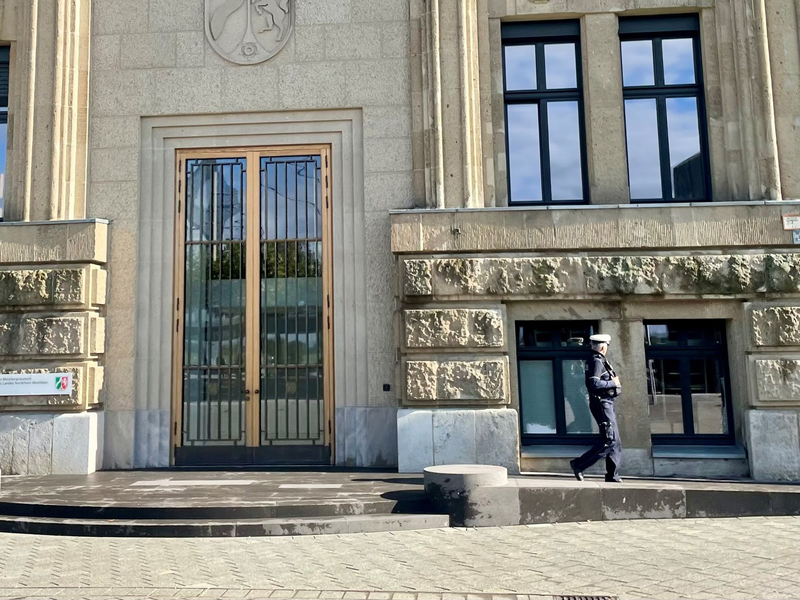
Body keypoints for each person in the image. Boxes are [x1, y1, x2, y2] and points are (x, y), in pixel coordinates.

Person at [569, 334, 623, 483]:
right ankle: (579, 464)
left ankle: (612, 475)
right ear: (603, 347)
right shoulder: (596, 361)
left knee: (615, 441)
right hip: (602, 403)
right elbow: (593, 384)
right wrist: (613, 383)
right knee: (609, 439)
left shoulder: (599, 360)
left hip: (607, 403)